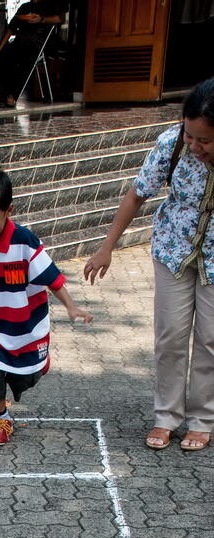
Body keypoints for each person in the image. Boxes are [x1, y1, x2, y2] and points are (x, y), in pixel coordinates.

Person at [84, 78, 214, 452]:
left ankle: (203, 418)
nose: (195, 146)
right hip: (173, 251)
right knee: (171, 336)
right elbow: (136, 194)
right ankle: (167, 416)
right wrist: (107, 247)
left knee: (210, 339)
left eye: (205, 140)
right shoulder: (171, 144)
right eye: (191, 136)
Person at [0, 166, 92, 446]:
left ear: (9, 211)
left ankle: (39, 365)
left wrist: (72, 306)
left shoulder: (24, 242)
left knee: (25, 375)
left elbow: (52, 278)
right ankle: (1, 418)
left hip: (27, 325)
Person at [0, 0, 67, 107]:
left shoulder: (49, 6)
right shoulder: (25, 7)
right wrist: (0, 46)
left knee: (23, 59)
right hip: (20, 42)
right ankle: (5, 93)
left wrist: (42, 19)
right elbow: (11, 27)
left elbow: (60, 18)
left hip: (39, 43)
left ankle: (13, 95)